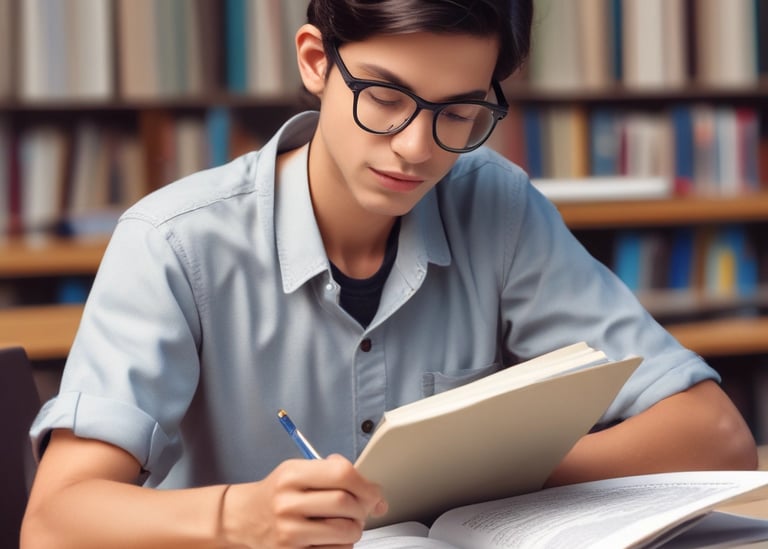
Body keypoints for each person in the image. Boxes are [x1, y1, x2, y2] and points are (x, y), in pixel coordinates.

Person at [21, 1, 757, 547]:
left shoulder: (494, 201)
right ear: (315, 61)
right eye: (386, 97)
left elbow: (712, 435)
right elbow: (54, 521)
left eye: (459, 112)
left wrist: (473, 475)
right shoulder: (171, 242)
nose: (416, 148)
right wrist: (239, 515)